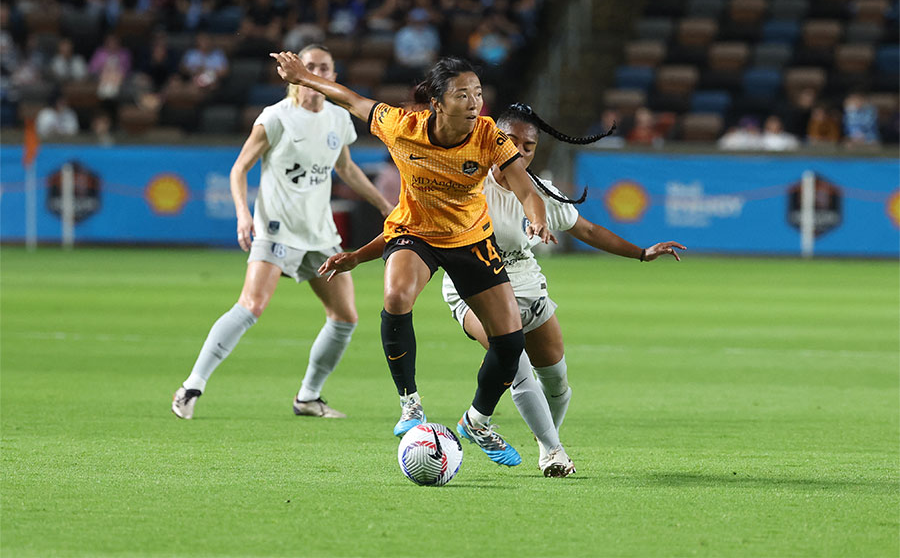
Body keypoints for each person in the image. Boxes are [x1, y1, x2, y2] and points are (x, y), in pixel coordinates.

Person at [320, 105, 684, 477]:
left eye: (529, 146)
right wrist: (358, 256)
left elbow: (587, 231)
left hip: (527, 286)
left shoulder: (539, 193)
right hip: (472, 288)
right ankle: (552, 453)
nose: (520, 151)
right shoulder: (466, 183)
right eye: (511, 142)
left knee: (556, 382)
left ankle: (507, 430)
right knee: (514, 360)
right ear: (494, 141)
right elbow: (410, 228)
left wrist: (641, 253)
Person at [270, 51, 552, 467]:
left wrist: (537, 219)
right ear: (438, 103)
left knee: (510, 343)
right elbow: (350, 99)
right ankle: (411, 404)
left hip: (469, 239)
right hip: (414, 233)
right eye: (462, 94)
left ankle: (476, 421)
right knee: (397, 297)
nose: (474, 102)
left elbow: (526, 189)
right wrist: (303, 77)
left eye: (477, 93)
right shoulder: (402, 127)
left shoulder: (490, 135)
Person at [172, 44, 394, 420]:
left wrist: (385, 207)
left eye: (325, 68)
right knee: (251, 306)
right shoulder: (275, 118)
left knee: (345, 318)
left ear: (334, 77)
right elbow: (239, 168)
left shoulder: (339, 120)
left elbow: (346, 169)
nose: (318, 73)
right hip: (276, 229)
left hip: (320, 234)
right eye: (310, 66)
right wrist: (244, 215)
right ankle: (192, 386)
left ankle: (308, 397)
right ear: (292, 72)